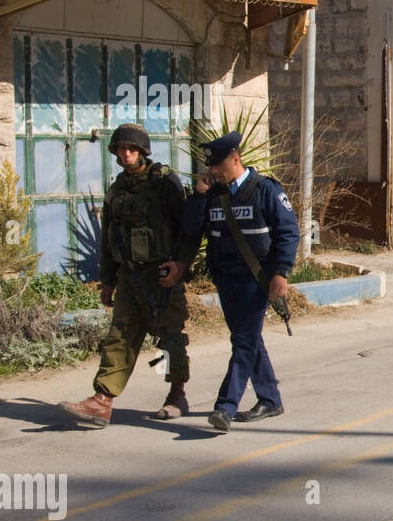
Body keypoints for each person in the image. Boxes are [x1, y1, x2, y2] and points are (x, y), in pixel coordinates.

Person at [59, 124, 196, 427]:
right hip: (130, 278)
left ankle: (176, 394)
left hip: (162, 277)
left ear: (143, 151)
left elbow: (188, 231)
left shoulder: (165, 183)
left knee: (170, 338)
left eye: (131, 149)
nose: (126, 154)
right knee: (118, 338)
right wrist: (107, 279)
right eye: (121, 149)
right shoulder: (116, 190)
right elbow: (109, 239)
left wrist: (180, 267)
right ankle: (102, 400)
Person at [182, 131, 299, 433]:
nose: (212, 171)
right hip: (226, 280)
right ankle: (270, 399)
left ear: (235, 159)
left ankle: (225, 407)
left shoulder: (265, 190)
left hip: (255, 281)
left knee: (244, 341)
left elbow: (288, 233)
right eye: (210, 165)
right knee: (248, 340)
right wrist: (198, 194)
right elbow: (192, 229)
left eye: (217, 165)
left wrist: (280, 273)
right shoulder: (213, 193)